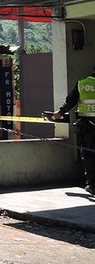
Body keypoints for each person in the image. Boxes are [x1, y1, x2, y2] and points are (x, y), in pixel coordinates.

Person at [52, 66, 95, 195]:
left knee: (89, 155)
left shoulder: (82, 83)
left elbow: (70, 101)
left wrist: (59, 113)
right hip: (87, 126)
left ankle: (93, 185)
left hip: (87, 126)